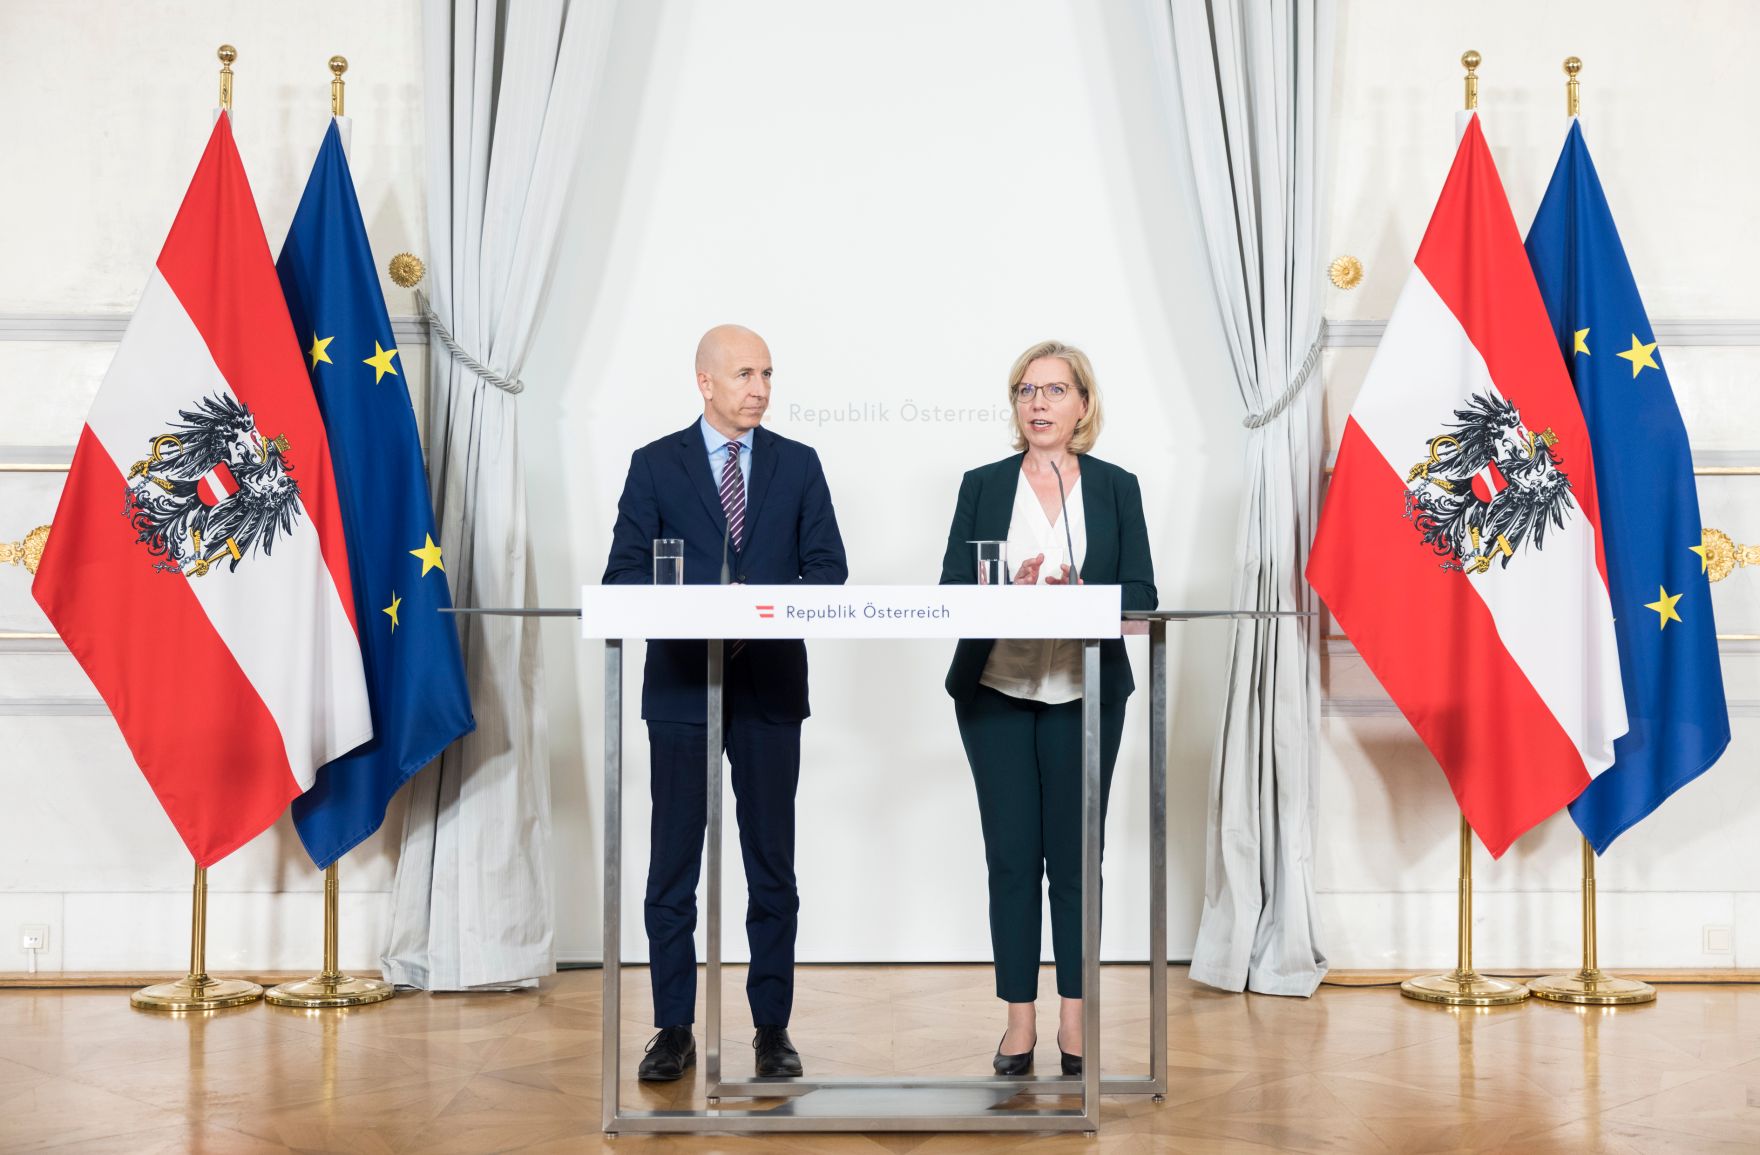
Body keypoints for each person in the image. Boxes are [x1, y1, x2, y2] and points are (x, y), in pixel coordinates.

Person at [603, 324, 848, 1082]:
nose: (761, 389)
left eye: (768, 374)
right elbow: (621, 578)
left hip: (770, 687)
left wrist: (755, 607)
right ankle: (672, 1027)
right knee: (673, 863)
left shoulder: (798, 464)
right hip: (682, 687)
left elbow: (828, 572)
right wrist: (701, 606)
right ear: (704, 382)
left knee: (772, 864)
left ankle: (772, 1028)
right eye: (745, 374)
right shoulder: (655, 464)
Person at [938, 339, 1156, 1077]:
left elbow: (1142, 595)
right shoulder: (982, 484)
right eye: (1027, 390)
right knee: (1009, 857)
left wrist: (1085, 598)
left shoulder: (1117, 486)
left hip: (1084, 694)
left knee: (1075, 858)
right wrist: (1007, 587)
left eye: (1055, 390)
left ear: (1083, 404)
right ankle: (1018, 1022)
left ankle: (1074, 1019)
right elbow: (951, 590)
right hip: (996, 691)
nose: (1038, 403)